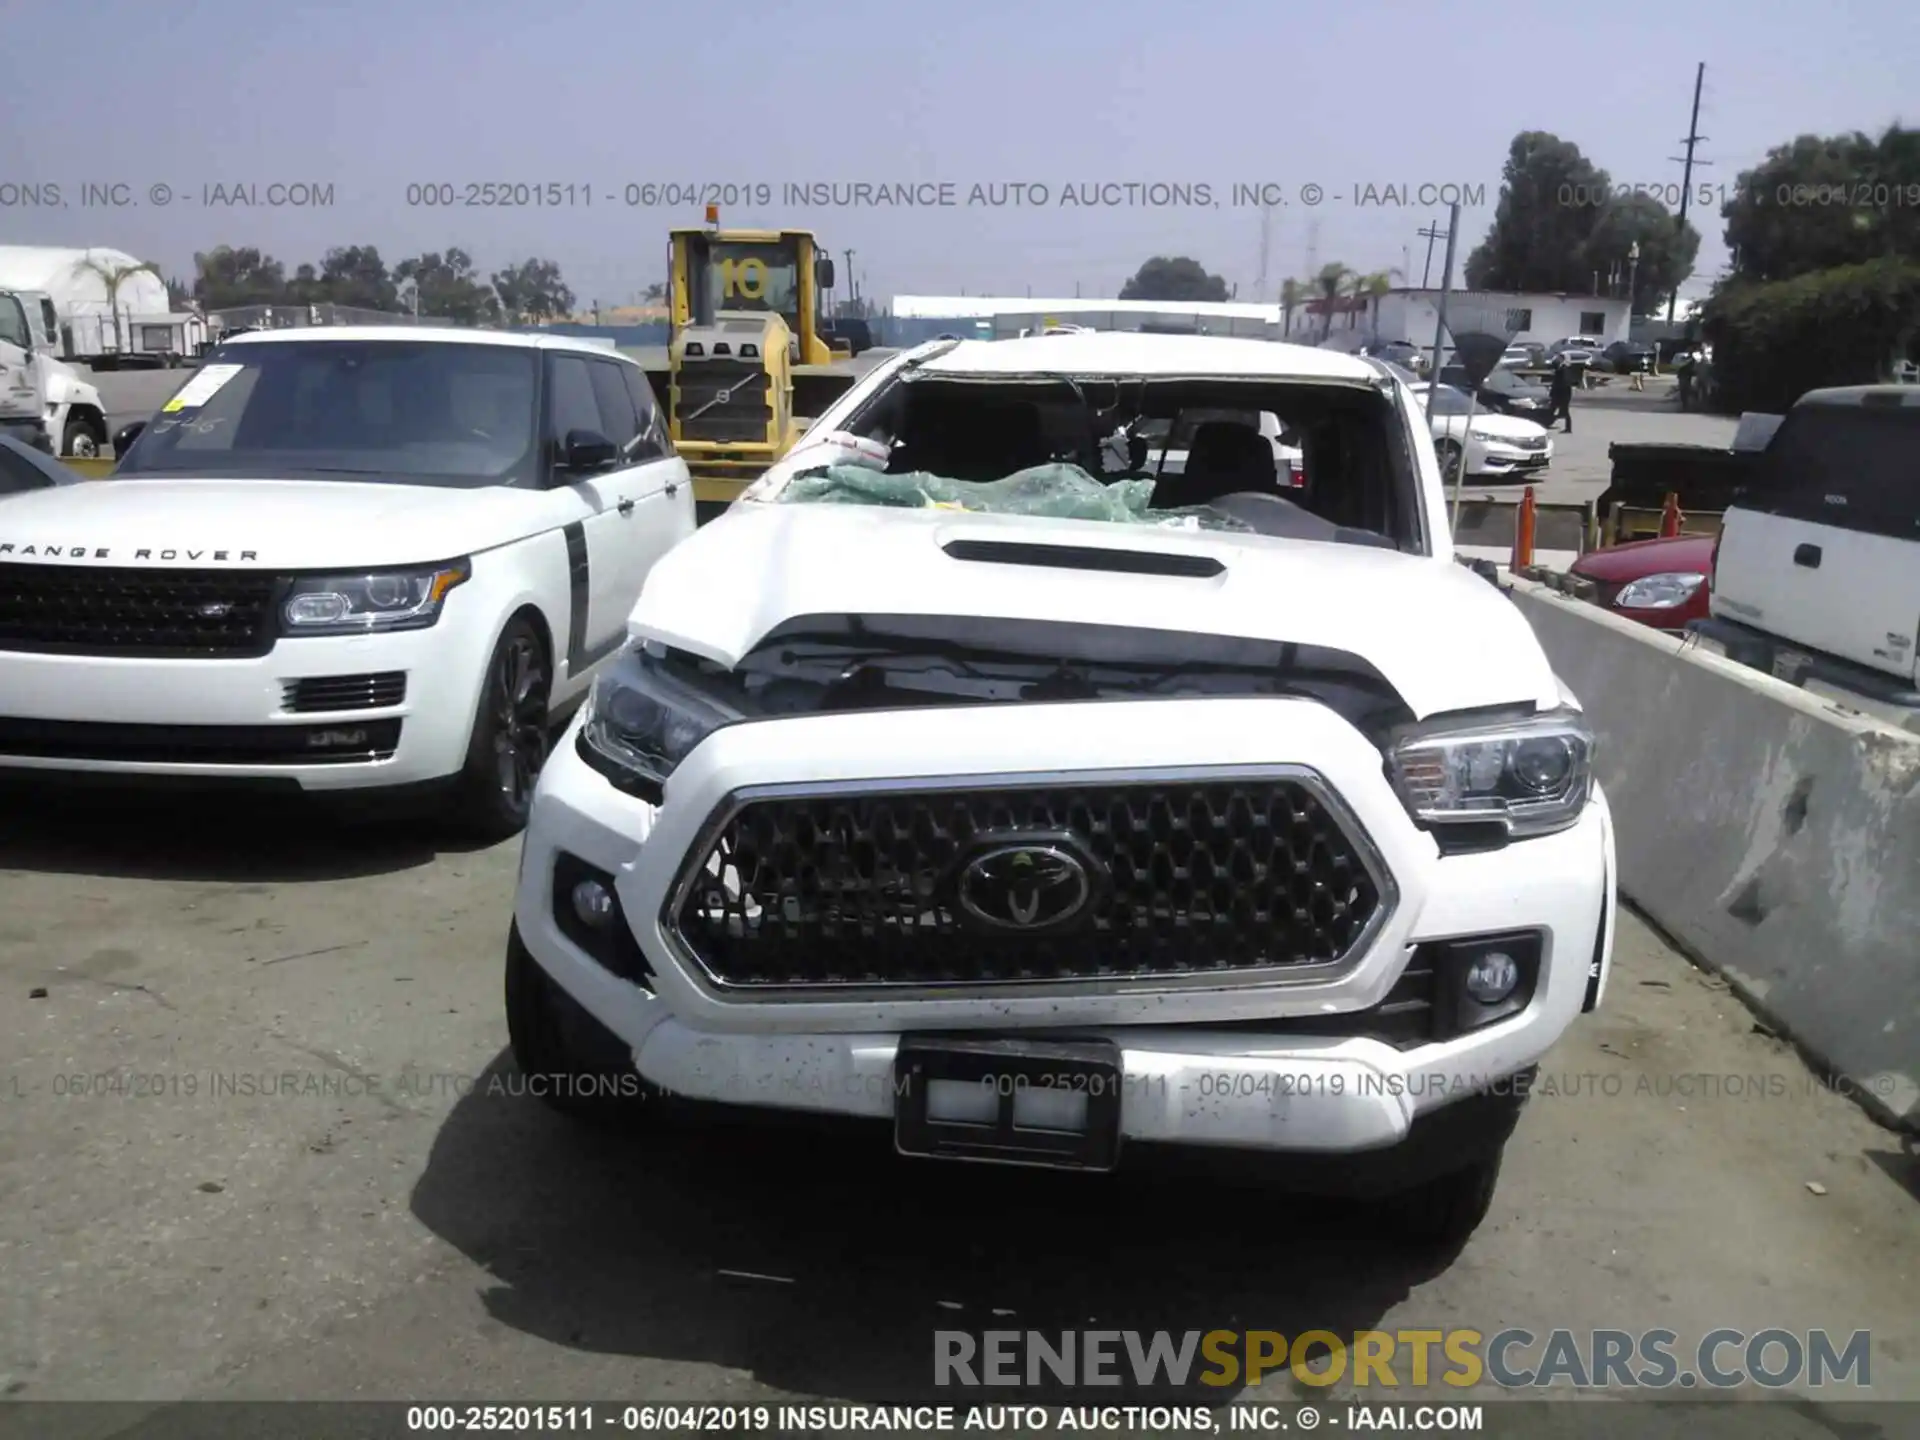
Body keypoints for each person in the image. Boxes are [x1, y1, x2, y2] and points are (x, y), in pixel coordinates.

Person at [1546, 356, 1575, 432]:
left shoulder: (1564, 369)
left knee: (1563, 412)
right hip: (1559, 394)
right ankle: (1547, 424)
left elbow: (1563, 383)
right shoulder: (1560, 369)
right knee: (1552, 410)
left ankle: (1568, 429)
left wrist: (1555, 392)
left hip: (1562, 395)